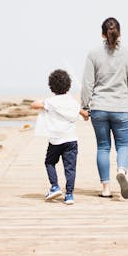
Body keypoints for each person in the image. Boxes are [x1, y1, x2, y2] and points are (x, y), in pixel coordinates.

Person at [81, 17, 128, 199]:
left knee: (103, 147)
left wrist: (84, 106)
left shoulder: (93, 53)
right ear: (120, 33)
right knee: (123, 145)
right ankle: (122, 170)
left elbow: (87, 83)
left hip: (99, 108)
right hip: (121, 108)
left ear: (102, 34)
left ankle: (106, 189)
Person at [31, 69, 88, 205]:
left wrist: (42, 101)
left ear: (51, 87)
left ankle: (55, 186)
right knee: (70, 168)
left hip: (55, 140)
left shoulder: (51, 102)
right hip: (71, 140)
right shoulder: (73, 102)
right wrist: (85, 114)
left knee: (49, 162)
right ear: (68, 86)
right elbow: (83, 114)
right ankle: (69, 195)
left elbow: (33, 104)